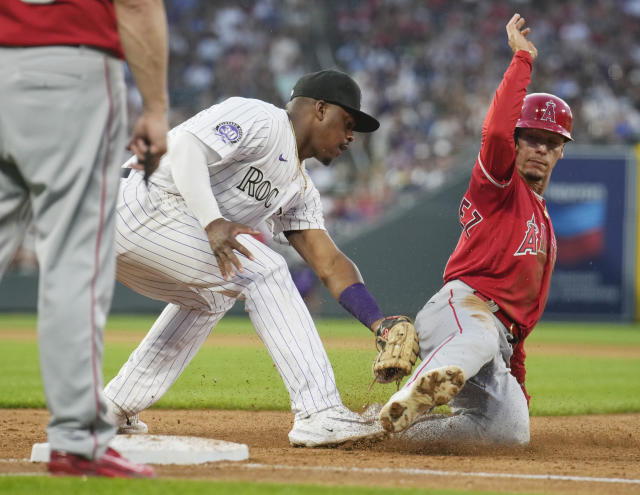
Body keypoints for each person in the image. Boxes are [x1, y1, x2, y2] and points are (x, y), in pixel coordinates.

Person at [104, 69, 395, 447]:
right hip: (140, 203)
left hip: (153, 226)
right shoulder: (263, 118)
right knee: (266, 270)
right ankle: (318, 412)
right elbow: (184, 148)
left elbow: (330, 264)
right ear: (320, 109)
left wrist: (380, 323)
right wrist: (213, 222)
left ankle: (113, 407)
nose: (351, 137)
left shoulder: (300, 187)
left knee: (214, 295)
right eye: (348, 123)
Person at [378, 14, 573, 446]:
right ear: (516, 142)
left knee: (509, 434)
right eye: (532, 137)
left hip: (499, 341)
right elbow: (495, 130)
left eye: (552, 141)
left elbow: (518, 330)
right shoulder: (498, 184)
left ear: (560, 151)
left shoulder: (545, 226)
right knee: (480, 333)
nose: (541, 147)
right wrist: (522, 59)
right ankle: (422, 387)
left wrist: (517, 391)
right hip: (463, 307)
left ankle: (383, 430)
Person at [0, 0, 169, 477]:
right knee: (75, 258)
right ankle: (78, 439)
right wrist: (155, 108)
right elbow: (135, 4)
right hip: (67, 68)